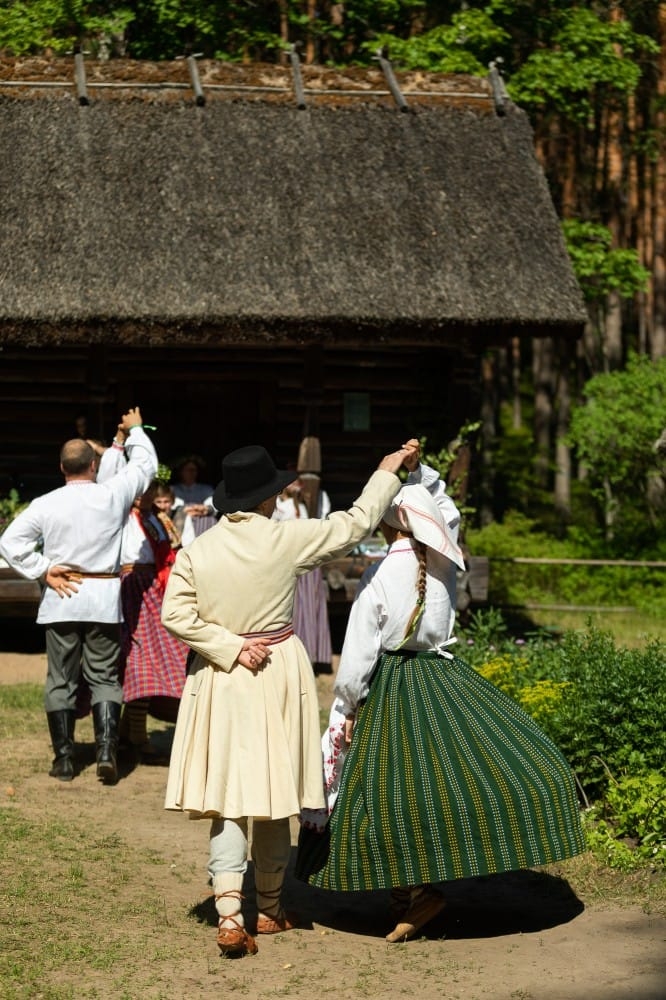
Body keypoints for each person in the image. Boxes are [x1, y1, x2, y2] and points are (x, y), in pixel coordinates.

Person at [295, 446, 586, 943]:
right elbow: (444, 510)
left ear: (388, 526)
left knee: (388, 792)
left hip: (395, 686)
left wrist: (346, 705)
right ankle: (412, 893)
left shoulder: (380, 576)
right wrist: (422, 473)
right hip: (444, 681)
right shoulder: (444, 561)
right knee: (435, 784)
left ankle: (414, 893)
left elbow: (358, 659)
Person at [161, 440, 418, 957]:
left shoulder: (197, 549)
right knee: (275, 799)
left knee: (228, 801)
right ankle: (272, 910)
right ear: (267, 499)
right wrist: (387, 470)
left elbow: (175, 615)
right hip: (276, 670)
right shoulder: (285, 539)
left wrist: (229, 646)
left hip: (220, 676)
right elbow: (355, 523)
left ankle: (231, 916)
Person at [0, 409, 157, 784]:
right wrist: (135, 430)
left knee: (61, 679)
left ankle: (65, 760)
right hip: (102, 597)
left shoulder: (46, 503)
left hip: (62, 597)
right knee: (104, 677)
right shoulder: (112, 493)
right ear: (93, 465)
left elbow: (8, 542)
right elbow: (146, 465)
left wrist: (42, 569)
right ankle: (105, 751)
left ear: (61, 467)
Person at [116, 480, 190, 762]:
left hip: (157, 587)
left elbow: (173, 549)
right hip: (134, 586)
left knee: (155, 658)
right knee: (139, 658)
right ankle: (137, 737)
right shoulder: (124, 517)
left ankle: (128, 732)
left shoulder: (158, 519)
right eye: (144, 491)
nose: (148, 496)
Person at [272, 440, 333, 674]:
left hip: (309, 560)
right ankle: (296, 654)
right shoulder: (279, 506)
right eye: (293, 481)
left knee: (312, 606)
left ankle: (315, 653)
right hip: (290, 560)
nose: (298, 484)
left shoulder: (305, 505)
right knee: (296, 608)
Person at [170, 454, 216, 536]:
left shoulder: (206, 489)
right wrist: (186, 509)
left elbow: (213, 504)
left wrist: (205, 509)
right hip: (181, 525)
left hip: (203, 524)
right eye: (188, 470)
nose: (191, 473)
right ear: (181, 472)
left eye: (194, 470)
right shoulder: (173, 489)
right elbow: (173, 506)